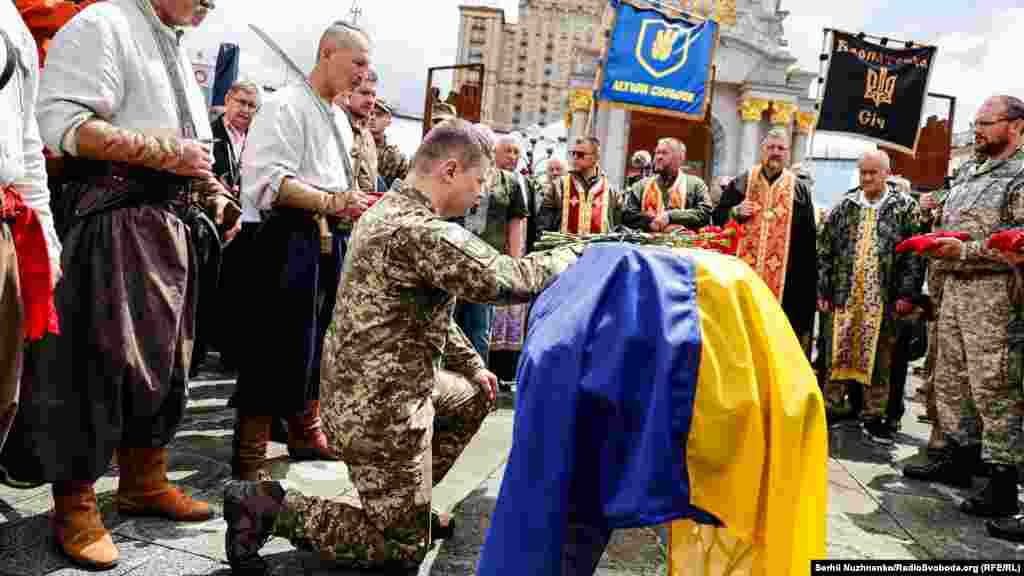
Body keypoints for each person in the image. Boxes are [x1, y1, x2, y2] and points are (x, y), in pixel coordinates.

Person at [222, 119, 580, 573]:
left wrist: (472, 365)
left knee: (475, 394)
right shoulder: (416, 230)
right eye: (478, 182)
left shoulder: (390, 210)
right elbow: (507, 279)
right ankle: (267, 506)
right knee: (400, 551)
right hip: (379, 408)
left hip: (380, 388)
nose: (480, 195)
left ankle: (408, 502)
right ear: (450, 170)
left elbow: (428, 312)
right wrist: (581, 253)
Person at [31, 0, 239, 568]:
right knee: (98, 365)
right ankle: (73, 504)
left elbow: (188, 145)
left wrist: (213, 192)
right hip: (112, 217)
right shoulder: (101, 24)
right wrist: (168, 153)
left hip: (170, 223)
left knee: (170, 363)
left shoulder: (170, 39)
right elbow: (65, 126)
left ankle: (144, 480)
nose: (210, 4)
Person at [230, 21, 375, 480]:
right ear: (328, 53)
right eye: (358, 63)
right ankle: (251, 454)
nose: (364, 75)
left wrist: (346, 204)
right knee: (271, 344)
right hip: (285, 239)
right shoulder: (284, 106)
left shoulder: (334, 114)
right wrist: (333, 201)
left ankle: (305, 429)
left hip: (327, 240)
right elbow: (268, 180)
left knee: (318, 340)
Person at [903, 95, 1024, 538]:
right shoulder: (972, 170)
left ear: (1015, 125)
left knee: (994, 386)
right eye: (975, 123)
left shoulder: (1021, 173)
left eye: (986, 123)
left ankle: (1002, 480)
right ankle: (959, 457)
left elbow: (1019, 239)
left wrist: (966, 250)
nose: (977, 130)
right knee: (952, 379)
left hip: (994, 297)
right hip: (952, 289)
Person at [817, 151, 924, 443]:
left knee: (880, 357)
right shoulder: (845, 205)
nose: (866, 178)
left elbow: (915, 255)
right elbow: (825, 249)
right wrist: (824, 289)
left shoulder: (905, 207)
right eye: (862, 172)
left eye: (872, 173)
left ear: (886, 173)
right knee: (836, 351)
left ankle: (874, 413)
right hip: (845, 294)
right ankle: (831, 405)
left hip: (883, 298)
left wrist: (907, 294)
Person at [0, 0, 62, 455]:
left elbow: (25, 151)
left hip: (6, 227)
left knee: (3, 393)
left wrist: (48, 243)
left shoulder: (15, 28)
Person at [713, 127, 818, 352]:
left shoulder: (798, 190)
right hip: (742, 277)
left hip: (786, 285)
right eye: (771, 147)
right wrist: (734, 212)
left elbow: (809, 244)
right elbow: (717, 217)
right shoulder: (742, 182)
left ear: (788, 153)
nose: (776, 153)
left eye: (781, 148)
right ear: (762, 150)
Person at [622, 138, 712, 232]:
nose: (658, 157)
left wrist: (670, 216)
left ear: (680, 158)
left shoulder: (696, 184)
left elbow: (705, 214)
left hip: (683, 245)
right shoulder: (640, 186)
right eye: (657, 153)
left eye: (664, 153)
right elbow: (627, 215)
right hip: (645, 244)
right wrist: (652, 223)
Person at [538, 137, 621, 235]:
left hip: (599, 249)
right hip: (565, 249)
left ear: (596, 157)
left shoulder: (611, 190)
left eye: (580, 154)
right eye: (574, 153)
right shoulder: (558, 186)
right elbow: (543, 226)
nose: (575, 157)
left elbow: (617, 225)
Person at [372, 98, 409, 189]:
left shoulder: (397, 157)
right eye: (370, 113)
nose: (372, 118)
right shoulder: (353, 146)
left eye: (378, 115)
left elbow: (404, 189)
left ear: (388, 120)